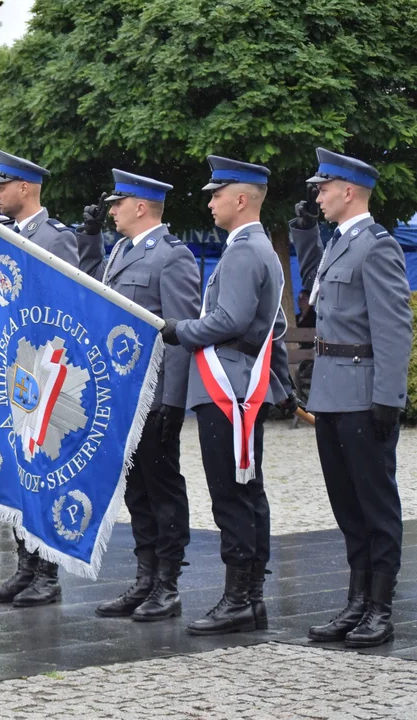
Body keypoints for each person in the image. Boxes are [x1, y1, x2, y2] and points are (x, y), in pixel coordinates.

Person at [160, 155, 292, 635]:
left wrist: (178, 329)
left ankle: (240, 599)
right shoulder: (260, 249)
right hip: (242, 381)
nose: (210, 203)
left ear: (240, 199)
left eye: (216, 195)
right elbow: (272, 325)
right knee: (246, 491)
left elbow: (230, 321)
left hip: (225, 382)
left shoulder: (242, 251)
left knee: (231, 494)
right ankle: (250, 596)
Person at [290, 148, 411, 649]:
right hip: (333, 394)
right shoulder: (340, 242)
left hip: (363, 394)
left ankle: (379, 608)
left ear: (349, 192)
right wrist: (301, 234)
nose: (317, 196)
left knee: (375, 504)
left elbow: (393, 327)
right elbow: (319, 289)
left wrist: (389, 397)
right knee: (346, 504)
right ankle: (356, 602)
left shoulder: (377, 246)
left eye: (323, 188)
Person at [77, 170, 200, 621]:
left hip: (153, 395)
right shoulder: (120, 255)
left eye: (117, 203)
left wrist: (173, 399)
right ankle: (145, 578)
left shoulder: (172, 257)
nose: (111, 211)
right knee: (135, 490)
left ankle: (167, 583)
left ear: (141, 207)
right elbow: (91, 288)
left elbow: (182, 331)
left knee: (162, 487)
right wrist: (90, 238)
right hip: (122, 395)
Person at [0, 150, 79, 608]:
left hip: (44, 371)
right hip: (14, 369)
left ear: (26, 188)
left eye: (2, 186)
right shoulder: (1, 237)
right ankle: (25, 565)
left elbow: (64, 304)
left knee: (42, 469)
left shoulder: (55, 239)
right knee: (19, 468)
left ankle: (47, 572)